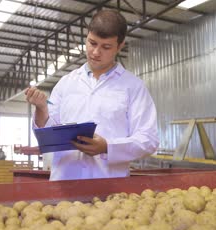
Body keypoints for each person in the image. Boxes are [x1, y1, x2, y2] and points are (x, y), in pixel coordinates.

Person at [25, 10, 159, 181]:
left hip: (110, 188)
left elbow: (148, 140)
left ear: (120, 46)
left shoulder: (133, 87)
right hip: (65, 183)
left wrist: (107, 147)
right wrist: (41, 109)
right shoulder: (67, 83)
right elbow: (48, 134)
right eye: (92, 43)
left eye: (106, 47)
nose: (96, 52)